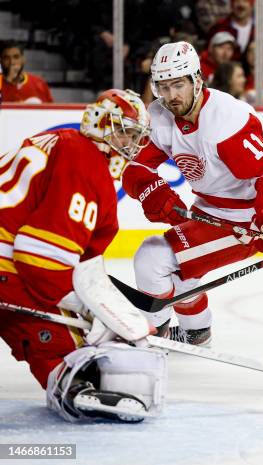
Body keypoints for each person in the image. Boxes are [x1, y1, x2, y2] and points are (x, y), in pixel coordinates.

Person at [0, 89, 166, 422]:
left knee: (47, 333)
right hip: (10, 270)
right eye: (124, 131)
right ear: (99, 122)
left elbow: (75, 263)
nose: (130, 143)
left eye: (135, 136)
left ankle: (68, 381)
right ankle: (74, 386)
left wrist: (98, 304)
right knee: (68, 338)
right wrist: (91, 311)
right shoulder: (84, 159)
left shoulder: (59, 142)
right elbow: (40, 259)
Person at [122, 42, 263, 346]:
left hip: (243, 221)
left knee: (152, 258)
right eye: (163, 86)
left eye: (178, 84)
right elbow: (136, 167)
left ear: (197, 80)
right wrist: (151, 190)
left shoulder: (226, 121)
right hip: (206, 212)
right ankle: (196, 332)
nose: (171, 95)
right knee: (179, 273)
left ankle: (149, 336)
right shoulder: (160, 116)